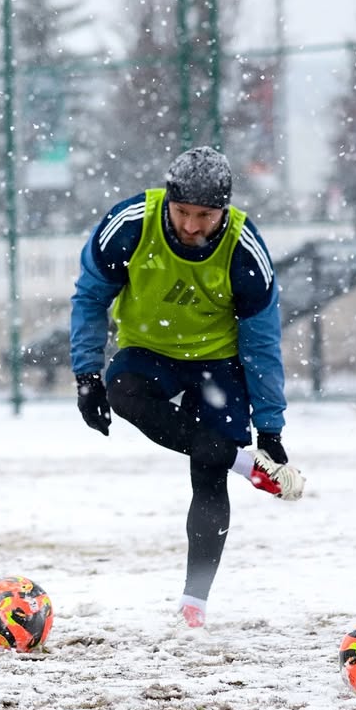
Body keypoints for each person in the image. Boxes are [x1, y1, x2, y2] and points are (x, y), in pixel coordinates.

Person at [69, 146, 303, 630]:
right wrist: (87, 374)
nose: (193, 226)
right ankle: (239, 460)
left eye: (206, 215)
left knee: (207, 471)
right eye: (182, 213)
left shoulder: (244, 251)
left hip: (218, 362)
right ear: (167, 201)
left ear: (225, 210)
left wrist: (270, 430)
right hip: (148, 353)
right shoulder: (131, 224)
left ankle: (194, 604)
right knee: (122, 390)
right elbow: (91, 296)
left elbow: (262, 343)